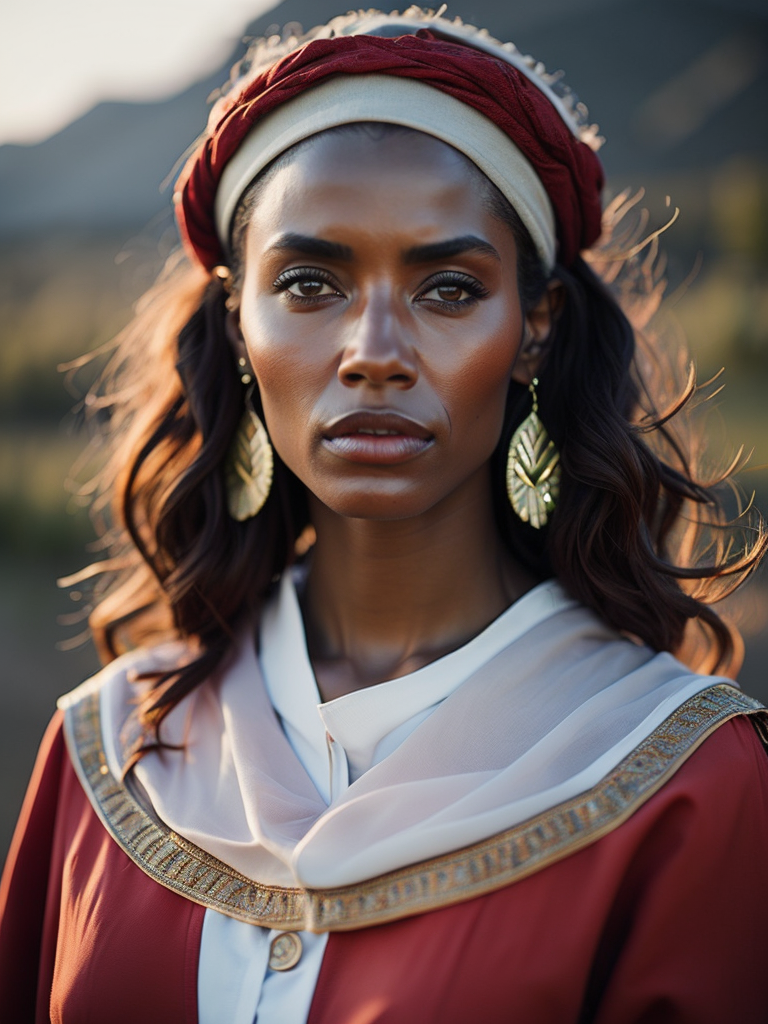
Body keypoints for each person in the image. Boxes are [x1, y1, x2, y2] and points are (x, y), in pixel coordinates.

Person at [1, 8, 767, 1022]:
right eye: (310, 283)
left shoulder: (681, 778)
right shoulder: (111, 747)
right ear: (240, 324)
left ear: (532, 330)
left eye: (449, 288)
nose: (373, 348)